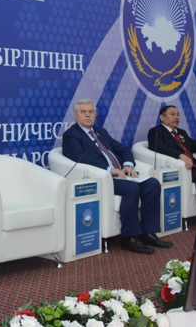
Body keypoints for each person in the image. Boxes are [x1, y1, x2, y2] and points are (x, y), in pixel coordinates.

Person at [62, 99, 172, 255]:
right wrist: (109, 170)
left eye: (91, 112)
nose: (87, 115)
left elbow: (122, 149)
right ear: (75, 115)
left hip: (121, 174)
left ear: (95, 115)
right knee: (131, 188)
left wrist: (128, 165)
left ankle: (148, 233)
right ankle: (129, 237)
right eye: (83, 112)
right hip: (101, 178)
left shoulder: (101, 132)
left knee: (152, 184)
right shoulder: (71, 135)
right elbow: (79, 158)